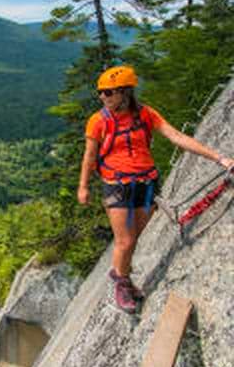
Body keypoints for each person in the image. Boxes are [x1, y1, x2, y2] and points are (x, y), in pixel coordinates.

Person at [77, 65, 234, 313]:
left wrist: (219, 158)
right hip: (117, 187)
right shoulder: (98, 122)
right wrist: (83, 187)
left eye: (108, 92)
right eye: (101, 92)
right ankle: (121, 283)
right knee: (125, 241)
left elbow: (177, 137)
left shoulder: (145, 115)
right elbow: (89, 156)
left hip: (146, 183)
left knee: (136, 236)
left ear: (125, 92)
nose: (102, 97)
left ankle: (121, 273)